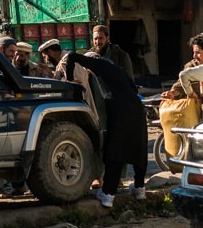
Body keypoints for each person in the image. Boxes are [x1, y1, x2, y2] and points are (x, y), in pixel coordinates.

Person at [59, 50, 147, 206]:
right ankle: (140, 189)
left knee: (115, 150)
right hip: (137, 109)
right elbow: (132, 87)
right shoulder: (115, 68)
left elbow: (71, 56)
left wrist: (70, 80)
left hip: (121, 111)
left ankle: (108, 194)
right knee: (138, 148)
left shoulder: (98, 63)